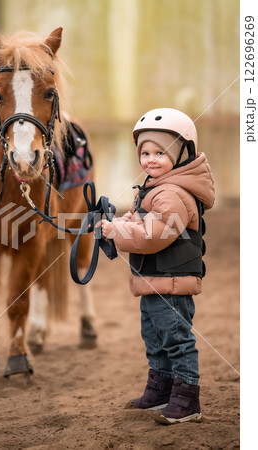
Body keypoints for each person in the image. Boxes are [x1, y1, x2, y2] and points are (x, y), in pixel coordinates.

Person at [101, 108, 215, 424]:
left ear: (182, 154)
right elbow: (138, 220)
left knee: (176, 339)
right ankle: (162, 387)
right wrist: (113, 223)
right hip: (154, 280)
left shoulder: (173, 192)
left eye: (160, 153)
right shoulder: (154, 187)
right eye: (145, 152)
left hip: (171, 282)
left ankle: (187, 398)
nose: (151, 159)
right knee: (155, 338)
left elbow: (156, 234)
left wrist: (116, 232)